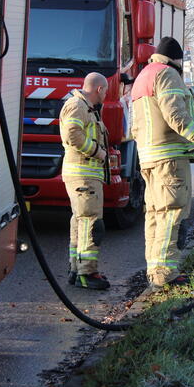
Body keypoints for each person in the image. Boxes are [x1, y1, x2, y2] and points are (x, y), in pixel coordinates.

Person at [131, 36, 194, 288]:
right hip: (169, 158)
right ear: (177, 60)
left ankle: (154, 269)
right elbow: (175, 114)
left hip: (148, 157)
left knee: (155, 215)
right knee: (172, 213)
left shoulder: (143, 77)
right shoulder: (167, 74)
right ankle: (166, 272)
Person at [60, 72, 111, 290]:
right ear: (99, 89)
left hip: (84, 176)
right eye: (106, 91)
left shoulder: (84, 107)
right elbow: (72, 134)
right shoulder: (78, 106)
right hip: (83, 176)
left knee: (80, 222)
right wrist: (97, 152)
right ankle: (86, 273)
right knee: (91, 223)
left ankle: (76, 269)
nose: (106, 95)